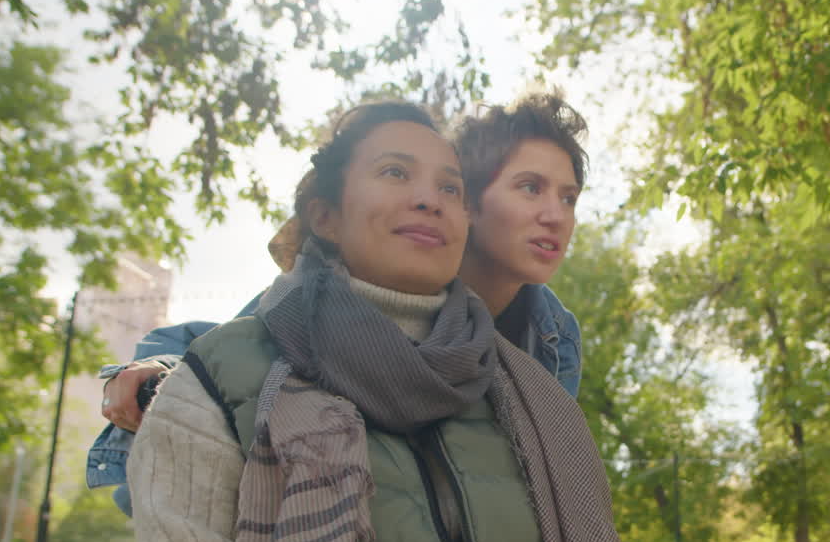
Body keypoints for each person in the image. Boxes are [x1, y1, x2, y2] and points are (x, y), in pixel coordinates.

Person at [127, 100, 688, 542]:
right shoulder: (222, 376)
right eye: (396, 173)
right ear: (325, 215)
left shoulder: (535, 395)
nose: (429, 198)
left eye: (448, 186)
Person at [89, 94, 586, 517]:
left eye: (569, 198)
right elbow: (231, 347)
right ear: (469, 203)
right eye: (530, 187)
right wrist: (155, 373)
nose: (554, 216)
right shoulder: (376, 286)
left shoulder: (551, 339)